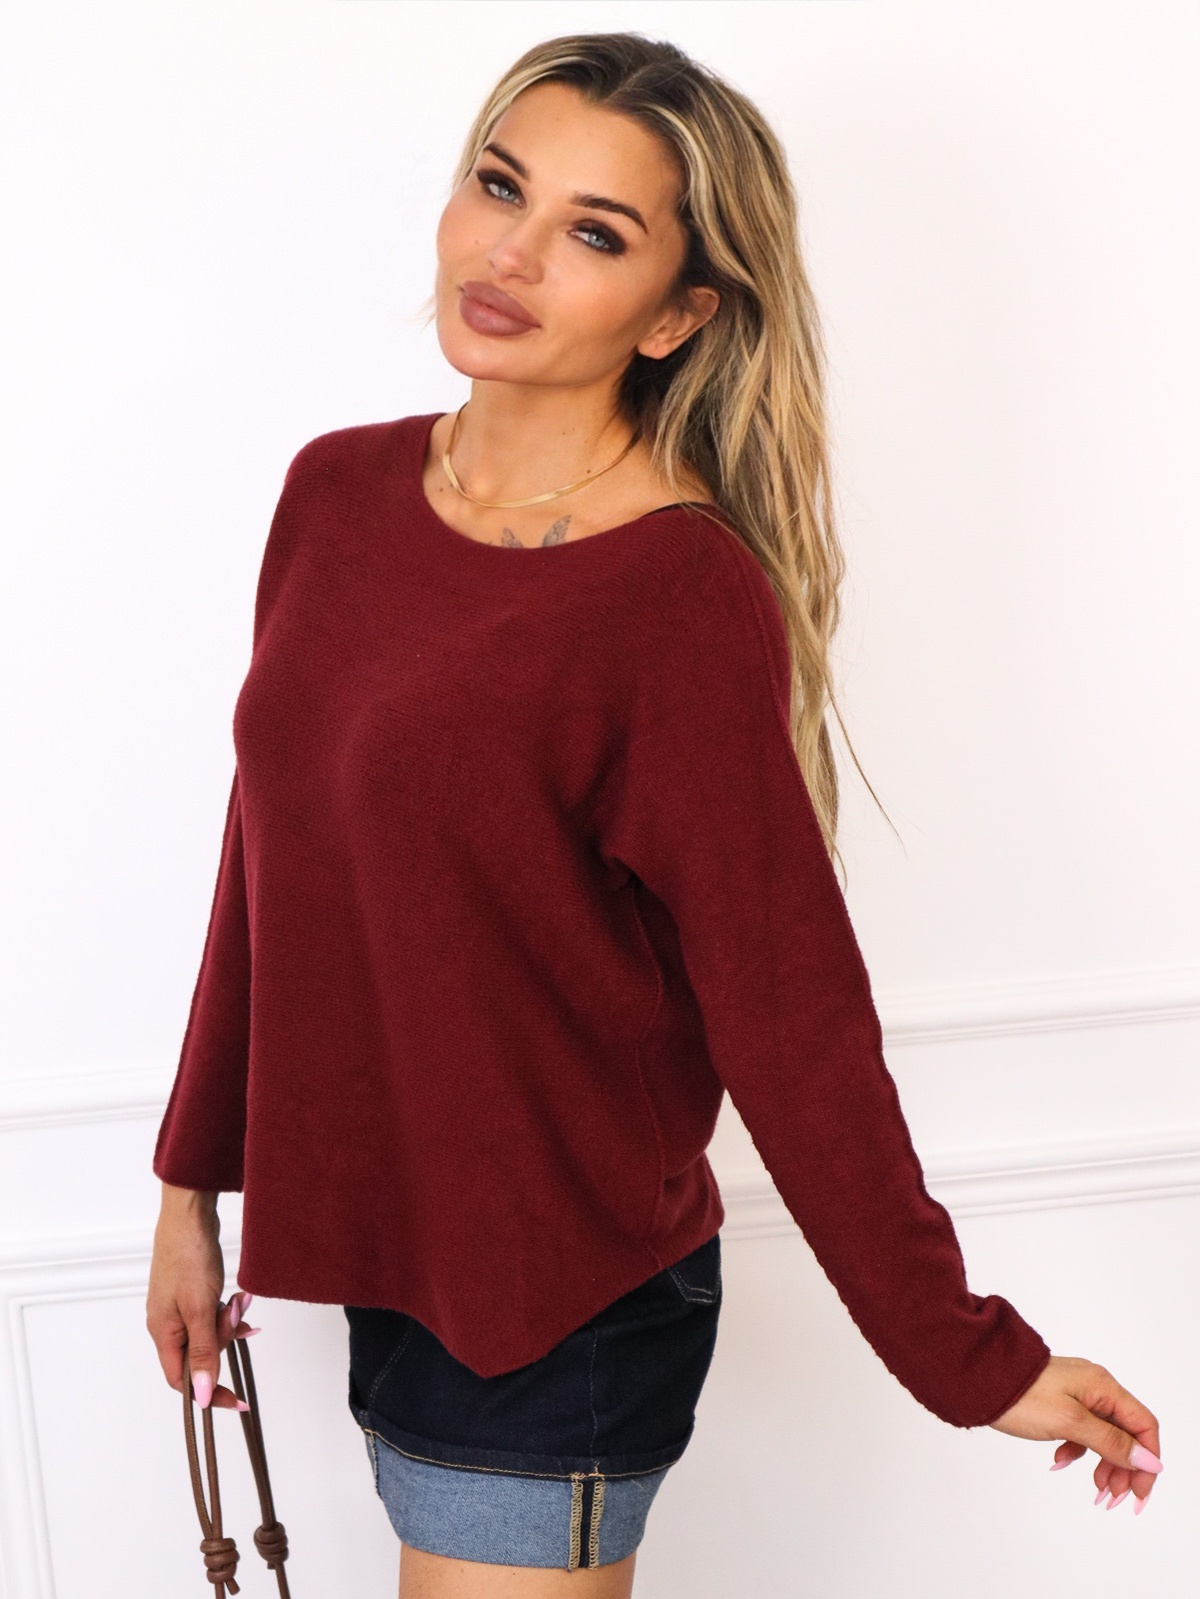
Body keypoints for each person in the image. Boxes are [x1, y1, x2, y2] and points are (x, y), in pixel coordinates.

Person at [145, 30, 1163, 1598]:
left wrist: (969, 1356)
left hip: (561, 1309)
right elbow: (265, 862)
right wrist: (188, 1191)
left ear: (681, 313)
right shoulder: (334, 495)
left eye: (596, 233)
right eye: (503, 187)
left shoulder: (677, 595)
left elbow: (791, 1016)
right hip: (397, 1275)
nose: (512, 254)